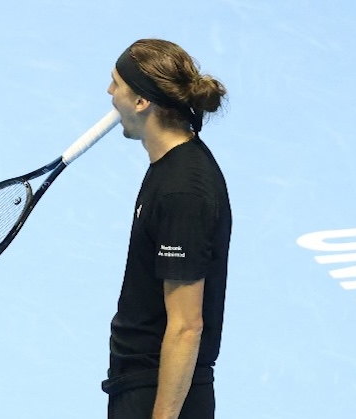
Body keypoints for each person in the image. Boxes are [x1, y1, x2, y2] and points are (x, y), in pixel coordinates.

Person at [102, 39, 232, 419]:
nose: (110, 94)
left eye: (116, 84)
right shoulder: (169, 164)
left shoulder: (182, 193)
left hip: (158, 393)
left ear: (142, 101)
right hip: (141, 380)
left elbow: (187, 326)